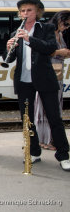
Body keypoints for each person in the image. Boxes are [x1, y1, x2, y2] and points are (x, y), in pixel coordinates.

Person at [3, 0, 70, 171]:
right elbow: (7, 60)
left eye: (29, 10)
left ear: (37, 11)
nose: (25, 13)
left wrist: (29, 39)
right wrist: (9, 46)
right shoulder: (15, 32)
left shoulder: (46, 28)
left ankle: (63, 155)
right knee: (28, 120)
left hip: (45, 80)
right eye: (23, 10)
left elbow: (50, 48)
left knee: (54, 118)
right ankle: (34, 152)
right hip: (24, 81)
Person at [34, 11, 70, 151]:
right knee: (43, 109)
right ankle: (43, 140)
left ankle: (50, 138)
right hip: (46, 74)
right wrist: (59, 53)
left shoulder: (60, 35)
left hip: (58, 75)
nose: (67, 27)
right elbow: (41, 49)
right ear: (59, 20)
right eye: (66, 24)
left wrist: (65, 53)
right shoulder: (47, 32)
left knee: (55, 109)